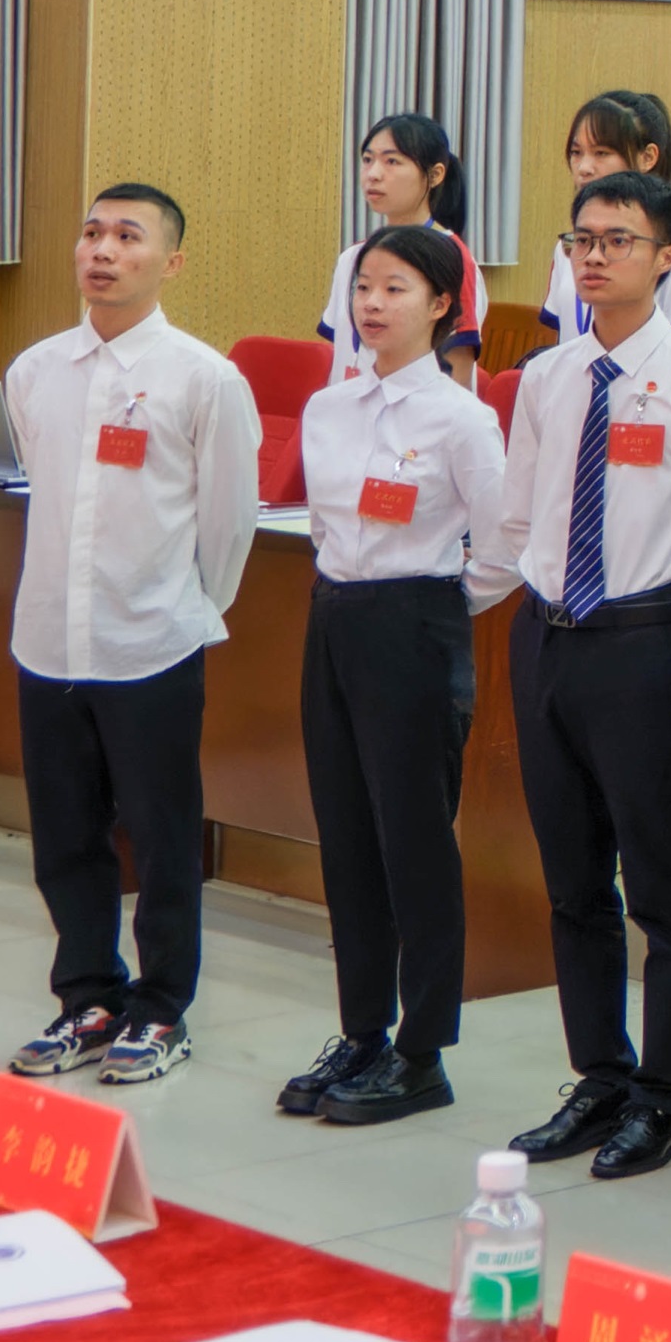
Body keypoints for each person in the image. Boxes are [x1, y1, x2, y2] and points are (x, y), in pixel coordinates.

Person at [472, 169, 671, 1179]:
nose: (594, 256)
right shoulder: (550, 377)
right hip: (546, 639)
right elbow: (518, 517)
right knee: (572, 881)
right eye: (582, 239)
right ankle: (598, 1076)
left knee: (662, 885)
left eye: (619, 240)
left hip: (640, 644)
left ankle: (665, 1098)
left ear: (668, 257)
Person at [0, 185, 259, 1087]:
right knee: (65, 836)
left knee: (160, 836)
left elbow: (229, 523)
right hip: (49, 640)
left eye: (127, 236)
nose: (102, 251)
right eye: (91, 233)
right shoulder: (35, 371)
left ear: (171, 262)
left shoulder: (204, 378)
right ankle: (87, 997)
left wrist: (182, 607)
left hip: (150, 643)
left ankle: (161, 1008)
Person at [279, 223, 505, 1128]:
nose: (372, 305)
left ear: (443, 304)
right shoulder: (330, 408)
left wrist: (437, 604)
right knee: (345, 835)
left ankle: (423, 1051)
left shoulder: (463, 418)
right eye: (364, 288)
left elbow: (507, 545)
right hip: (334, 618)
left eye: (395, 289)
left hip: (416, 624)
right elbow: (325, 527)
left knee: (414, 842)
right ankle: (363, 1031)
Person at [320, 113, 487, 384]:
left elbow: (458, 369)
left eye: (392, 161)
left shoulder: (451, 258)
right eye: (368, 160)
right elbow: (340, 353)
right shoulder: (352, 258)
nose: (373, 174)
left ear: (435, 175)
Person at [536, 92, 671, 341]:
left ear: (647, 157)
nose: (584, 168)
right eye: (576, 152)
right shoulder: (569, 245)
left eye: (601, 153)